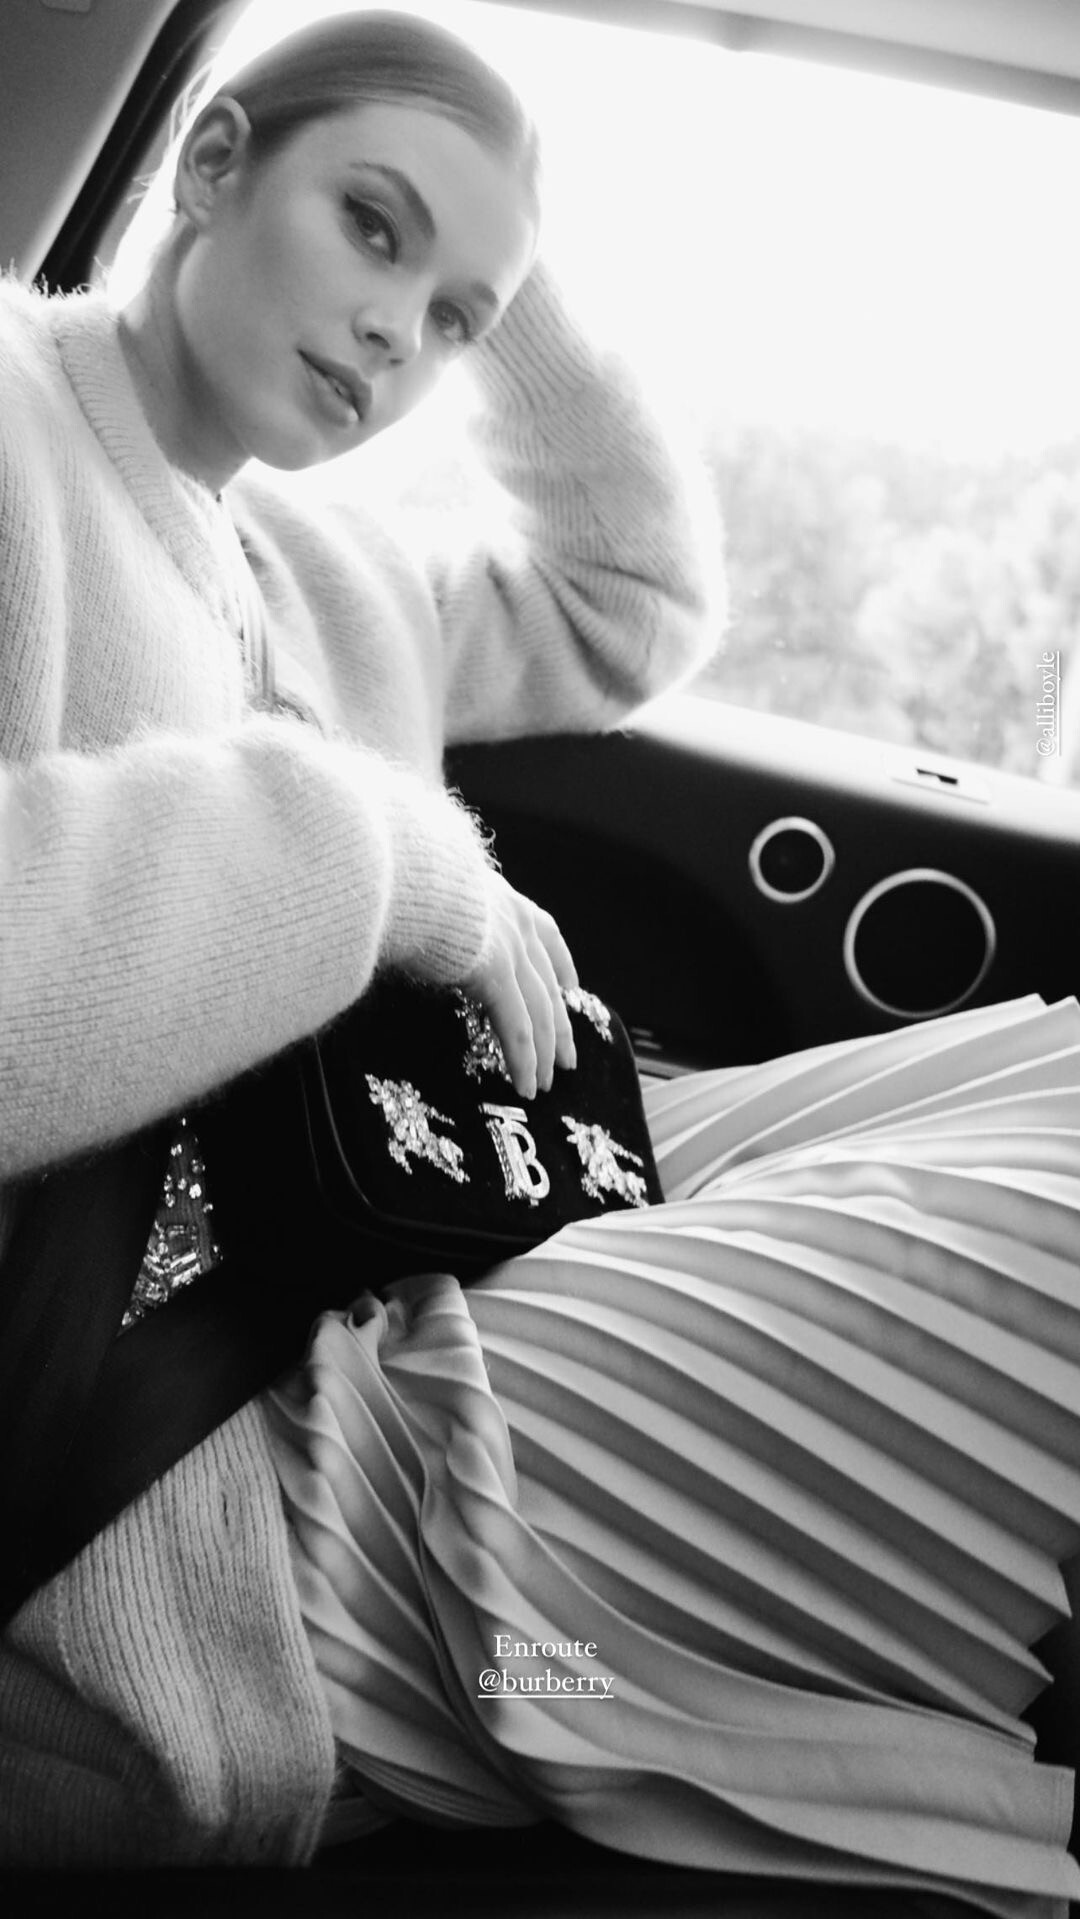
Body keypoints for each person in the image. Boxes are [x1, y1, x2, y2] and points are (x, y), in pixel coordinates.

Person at [0, 11, 1078, 1915]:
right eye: (369, 225)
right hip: (179, 1452)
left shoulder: (327, 560)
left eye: (449, 323)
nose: (390, 340)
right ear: (212, 162)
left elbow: (634, 598)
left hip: (414, 1221)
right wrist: (387, 854)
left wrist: (499, 272)